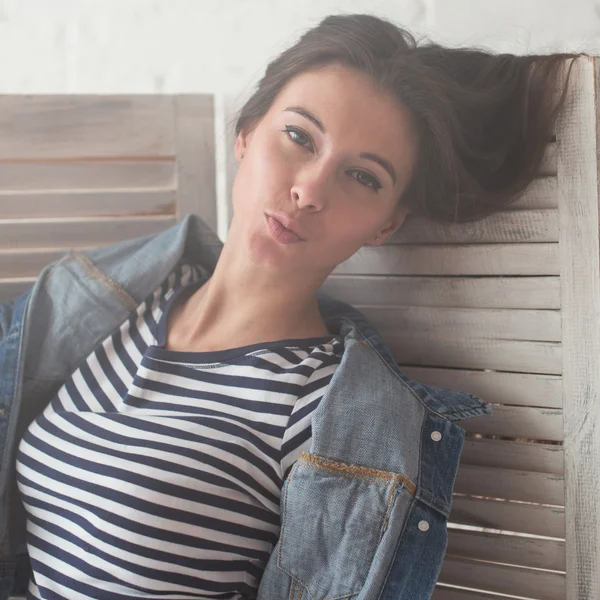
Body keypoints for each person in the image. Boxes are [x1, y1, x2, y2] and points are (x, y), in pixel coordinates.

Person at [0, 12, 583, 600]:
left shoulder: (323, 408)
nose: (309, 190)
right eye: (300, 137)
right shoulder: (114, 299)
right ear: (247, 133)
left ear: (387, 224)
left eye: (362, 176)